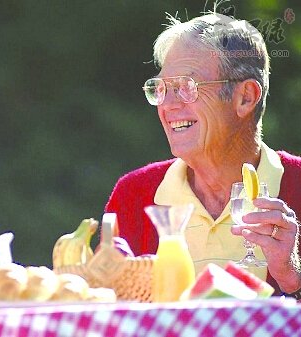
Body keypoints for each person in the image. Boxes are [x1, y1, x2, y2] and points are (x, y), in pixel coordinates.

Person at [105, 11, 301, 298]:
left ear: (245, 97)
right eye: (161, 88)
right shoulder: (132, 195)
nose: (168, 105)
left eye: (186, 87)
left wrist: (294, 278)